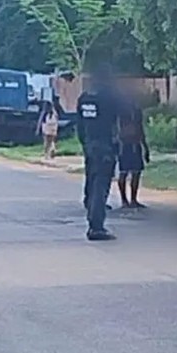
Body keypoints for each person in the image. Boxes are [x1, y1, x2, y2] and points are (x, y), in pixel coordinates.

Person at [76, 66, 120, 241]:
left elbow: (79, 125)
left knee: (92, 183)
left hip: (90, 145)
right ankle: (96, 226)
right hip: (105, 146)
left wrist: (85, 144)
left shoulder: (84, 98)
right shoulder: (109, 98)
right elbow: (117, 122)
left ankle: (91, 217)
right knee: (101, 187)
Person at [116, 96, 150, 208]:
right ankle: (124, 200)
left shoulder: (137, 111)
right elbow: (117, 128)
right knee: (123, 172)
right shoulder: (120, 112)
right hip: (124, 145)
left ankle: (134, 199)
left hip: (135, 144)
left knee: (136, 172)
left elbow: (140, 129)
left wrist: (145, 147)